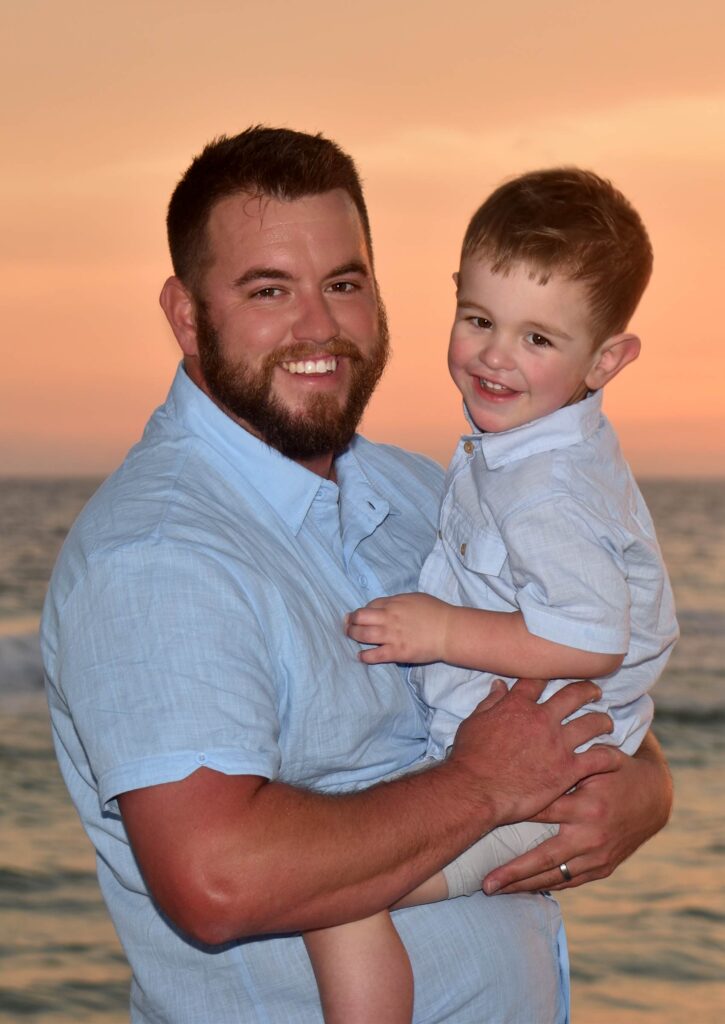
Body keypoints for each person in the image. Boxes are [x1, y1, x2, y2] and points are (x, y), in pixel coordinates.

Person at [41, 129, 673, 1024]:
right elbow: (216, 881)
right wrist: (482, 788)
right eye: (269, 290)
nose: (318, 327)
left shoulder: (426, 492)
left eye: (343, 284)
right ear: (187, 316)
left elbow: (575, 673)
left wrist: (644, 792)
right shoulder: (157, 555)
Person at [310, 168, 678, 1021]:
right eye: (478, 319)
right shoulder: (529, 453)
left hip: (542, 790)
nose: (493, 356)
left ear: (608, 358)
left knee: (339, 897)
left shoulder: (546, 485)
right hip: (543, 762)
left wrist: (441, 629)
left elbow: (588, 638)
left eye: (537, 340)